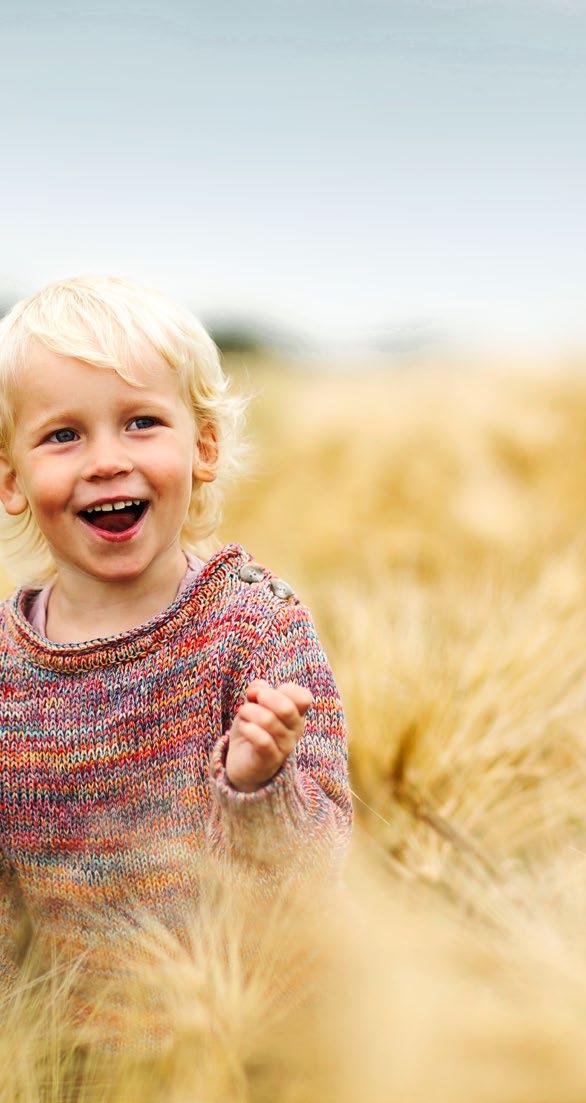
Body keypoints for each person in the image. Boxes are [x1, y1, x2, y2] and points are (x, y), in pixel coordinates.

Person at [0, 275, 353, 1034]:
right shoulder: (5, 672)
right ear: (11, 478)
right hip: (74, 1060)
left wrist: (259, 789)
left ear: (205, 448)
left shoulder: (257, 628)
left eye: (141, 423)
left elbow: (324, 884)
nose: (104, 460)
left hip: (247, 1050)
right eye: (63, 435)